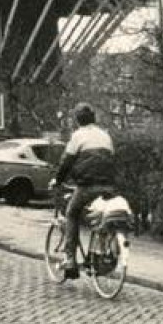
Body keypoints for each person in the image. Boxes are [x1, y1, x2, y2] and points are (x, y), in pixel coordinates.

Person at [53, 102, 117, 279]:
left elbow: (66, 162)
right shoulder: (105, 135)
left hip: (88, 185)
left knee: (72, 213)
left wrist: (57, 180)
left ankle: (71, 260)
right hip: (108, 185)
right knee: (99, 217)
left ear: (77, 120)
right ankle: (98, 255)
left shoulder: (78, 136)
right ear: (93, 119)